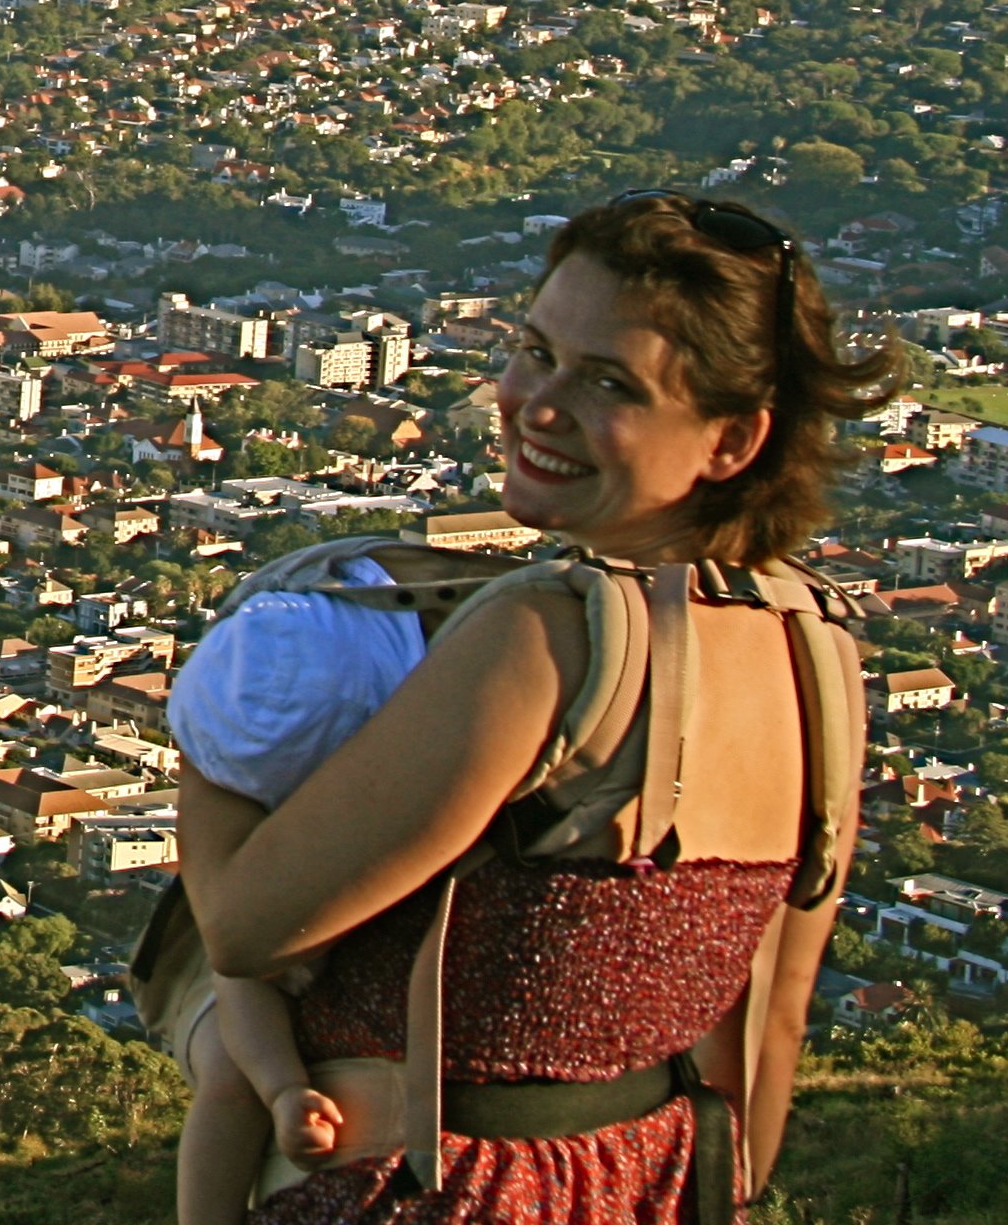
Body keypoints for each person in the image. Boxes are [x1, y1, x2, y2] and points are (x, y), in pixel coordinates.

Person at [177, 191, 889, 1225]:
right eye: (535, 350)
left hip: (428, 1190)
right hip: (650, 1184)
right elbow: (772, 1021)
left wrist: (217, 741)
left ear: (732, 440)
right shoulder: (815, 649)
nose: (535, 404)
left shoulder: (546, 637)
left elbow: (245, 931)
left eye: (609, 384)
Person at [161, 559, 429, 1225]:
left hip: (337, 950)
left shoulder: (243, 754)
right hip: (279, 942)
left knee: (232, 1065)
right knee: (234, 1069)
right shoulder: (412, 751)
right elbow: (238, 954)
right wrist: (283, 1086)